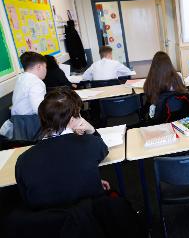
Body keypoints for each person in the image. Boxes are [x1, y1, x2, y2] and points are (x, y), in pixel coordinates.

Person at [9, 88, 145, 238]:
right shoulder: (90, 144)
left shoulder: (23, 160)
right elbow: (102, 149)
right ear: (74, 119)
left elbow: (30, 198)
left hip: (49, 229)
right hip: (92, 224)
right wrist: (91, 129)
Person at [143, 51, 189, 123]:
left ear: (154, 65)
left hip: (162, 117)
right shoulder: (178, 76)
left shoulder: (150, 80)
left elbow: (149, 97)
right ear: (169, 63)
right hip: (181, 114)